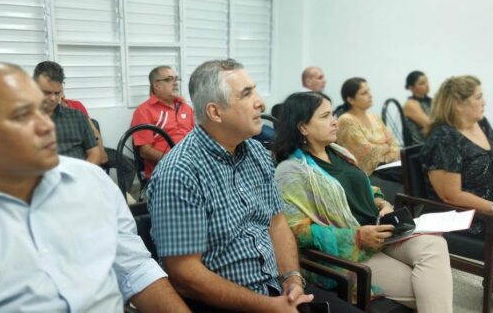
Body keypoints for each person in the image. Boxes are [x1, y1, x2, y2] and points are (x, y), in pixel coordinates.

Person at [0, 61, 189, 312]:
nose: (47, 126)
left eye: (43, 111)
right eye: (22, 115)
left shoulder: (90, 182)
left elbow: (136, 269)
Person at [148, 59, 360, 312]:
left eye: (254, 90)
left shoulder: (256, 152)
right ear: (215, 112)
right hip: (231, 303)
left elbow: (277, 222)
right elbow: (185, 274)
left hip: (277, 291)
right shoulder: (180, 172)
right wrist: (268, 306)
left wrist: (292, 278)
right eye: (247, 94)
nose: (261, 102)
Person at [273, 91, 453, 312]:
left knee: (435, 244)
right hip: (351, 250)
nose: (334, 121)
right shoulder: (291, 172)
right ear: (303, 127)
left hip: (382, 230)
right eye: (325, 116)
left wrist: (381, 203)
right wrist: (357, 236)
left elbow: (367, 186)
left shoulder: (339, 152)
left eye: (333, 114)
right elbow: (298, 232)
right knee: (430, 287)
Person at [420, 75, 493, 304]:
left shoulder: (482, 124)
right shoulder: (444, 138)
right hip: (462, 216)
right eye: (478, 97)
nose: (484, 102)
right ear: (459, 103)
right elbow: (451, 195)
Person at [33, 61, 103, 165]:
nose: (53, 98)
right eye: (47, 92)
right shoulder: (22, 121)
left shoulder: (77, 117)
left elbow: (95, 153)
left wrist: (83, 173)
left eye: (57, 93)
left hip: (79, 175)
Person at [131, 66, 194, 180]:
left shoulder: (186, 108)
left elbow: (197, 138)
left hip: (193, 166)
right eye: (169, 79)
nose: (175, 83)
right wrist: (177, 161)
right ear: (156, 85)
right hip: (164, 171)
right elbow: (145, 152)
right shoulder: (144, 111)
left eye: (176, 79)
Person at [337, 77, 401, 181]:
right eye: (364, 93)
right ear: (350, 100)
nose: (370, 95)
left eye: (369, 91)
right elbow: (367, 154)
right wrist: (386, 146)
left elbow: (394, 145)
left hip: (387, 168)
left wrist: (385, 153)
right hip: (366, 176)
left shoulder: (375, 117)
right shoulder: (347, 120)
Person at [403, 71, 432, 145]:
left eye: (426, 81)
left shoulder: (431, 100)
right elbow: (430, 125)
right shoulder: (410, 105)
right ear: (411, 88)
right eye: (422, 83)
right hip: (420, 147)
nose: (427, 85)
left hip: (432, 142)